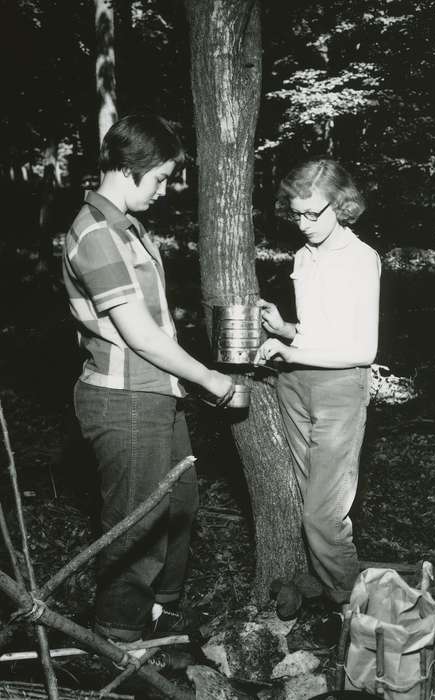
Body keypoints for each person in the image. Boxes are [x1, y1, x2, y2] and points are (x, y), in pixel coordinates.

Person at [62, 114, 234, 643]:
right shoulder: (95, 233)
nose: (164, 189)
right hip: (125, 399)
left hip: (157, 392)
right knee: (135, 528)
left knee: (179, 504)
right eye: (159, 177)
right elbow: (139, 334)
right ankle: (119, 639)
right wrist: (210, 379)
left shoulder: (126, 227)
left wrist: (181, 381)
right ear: (130, 167)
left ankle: (159, 612)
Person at [254, 157, 380, 606]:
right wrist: (286, 329)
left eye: (314, 213)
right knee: (306, 500)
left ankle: (354, 609)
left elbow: (363, 350)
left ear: (342, 206)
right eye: (296, 213)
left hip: (338, 392)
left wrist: (293, 350)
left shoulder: (361, 259)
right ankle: (326, 590)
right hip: (295, 386)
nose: (304, 224)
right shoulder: (302, 256)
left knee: (323, 518)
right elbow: (319, 329)